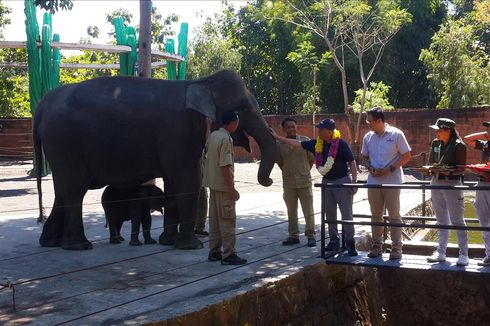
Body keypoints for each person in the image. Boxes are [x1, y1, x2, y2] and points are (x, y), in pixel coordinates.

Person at [273, 118, 359, 256]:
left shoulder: (341, 144)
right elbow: (296, 144)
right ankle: (333, 241)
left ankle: (350, 243)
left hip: (342, 182)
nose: (319, 131)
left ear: (330, 131)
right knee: (330, 214)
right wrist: (277, 137)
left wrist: (354, 182)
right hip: (327, 182)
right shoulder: (316, 143)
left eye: (321, 129)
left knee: (346, 214)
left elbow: (352, 162)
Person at [361, 107, 411, 260]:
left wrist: (389, 169)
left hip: (392, 181)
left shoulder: (396, 134)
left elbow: (407, 155)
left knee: (394, 215)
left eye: (370, 121)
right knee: (376, 215)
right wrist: (370, 168)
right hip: (373, 181)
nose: (368, 124)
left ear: (379, 121)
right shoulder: (368, 137)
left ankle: (397, 248)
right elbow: (364, 156)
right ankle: (377, 246)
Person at [203, 110, 247, 265]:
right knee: (227, 221)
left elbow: (207, 142)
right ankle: (229, 255)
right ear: (233, 123)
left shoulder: (215, 135)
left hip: (213, 186)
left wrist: (208, 126)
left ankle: (214, 252)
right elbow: (225, 166)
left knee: (214, 221)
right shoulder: (226, 139)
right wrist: (231, 189)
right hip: (223, 188)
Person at [426, 118, 468, 266]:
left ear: (448, 130)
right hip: (436, 181)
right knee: (441, 219)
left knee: (457, 220)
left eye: (439, 129)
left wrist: (449, 172)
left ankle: (464, 254)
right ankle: (441, 252)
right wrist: (428, 168)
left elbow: (462, 169)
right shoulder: (435, 143)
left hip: (452, 184)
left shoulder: (459, 145)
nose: (436, 132)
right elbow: (431, 162)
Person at [276, 117, 316, 247]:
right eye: (288, 127)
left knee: (308, 210)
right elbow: (280, 162)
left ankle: (311, 236)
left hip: (304, 182)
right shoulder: (279, 145)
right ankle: (293, 236)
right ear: (283, 129)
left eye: (293, 126)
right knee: (291, 210)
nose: (292, 129)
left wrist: (304, 172)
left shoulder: (305, 141)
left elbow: (311, 159)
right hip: (289, 184)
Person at [464, 121, 490, 266]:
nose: (488, 130)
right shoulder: (484, 143)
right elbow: (467, 139)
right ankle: (489, 255)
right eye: (488, 128)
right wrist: (485, 135)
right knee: (484, 221)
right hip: (482, 183)